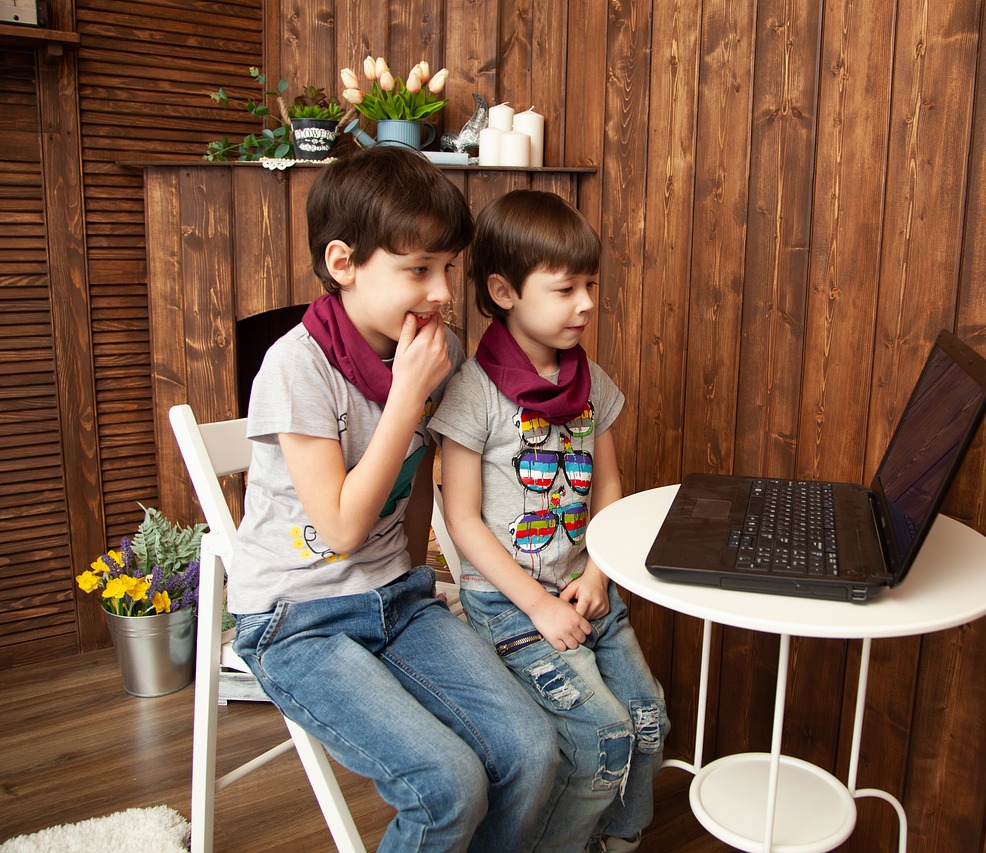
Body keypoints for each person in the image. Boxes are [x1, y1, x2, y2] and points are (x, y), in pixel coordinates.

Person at [227, 147, 559, 853]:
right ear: (343, 262)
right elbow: (343, 529)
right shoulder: (296, 366)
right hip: (297, 619)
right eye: (418, 270)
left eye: (449, 268)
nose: (442, 291)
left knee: (533, 749)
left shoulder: (442, 354)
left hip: (396, 598)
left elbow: (417, 488)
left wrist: (417, 579)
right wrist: (407, 394)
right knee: (448, 784)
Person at [430, 190, 667, 853]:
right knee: (604, 736)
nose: (586, 303)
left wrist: (599, 573)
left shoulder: (592, 382)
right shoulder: (474, 391)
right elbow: (462, 519)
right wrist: (537, 605)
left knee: (649, 720)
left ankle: (619, 837)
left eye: (590, 284)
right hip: (511, 603)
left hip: (586, 588)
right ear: (504, 291)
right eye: (565, 289)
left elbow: (609, 483)